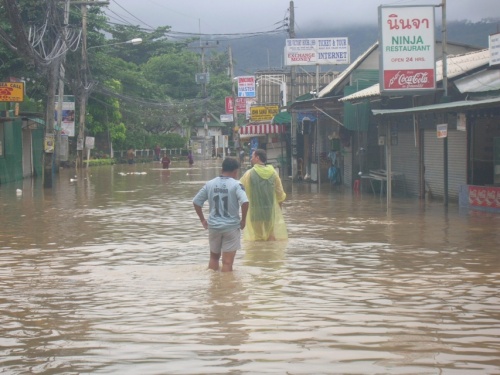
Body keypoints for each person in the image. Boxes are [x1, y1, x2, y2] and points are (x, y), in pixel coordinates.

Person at [193, 158, 249, 272]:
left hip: (213, 227)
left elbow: (196, 202)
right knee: (227, 262)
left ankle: (214, 285)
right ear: (235, 172)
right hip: (231, 227)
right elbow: (245, 202)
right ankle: (226, 288)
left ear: (222, 169)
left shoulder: (210, 184)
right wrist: (243, 220)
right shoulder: (237, 185)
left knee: (214, 258)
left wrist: (203, 220)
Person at [240, 148, 287, 241]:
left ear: (257, 158)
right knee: (270, 234)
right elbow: (280, 194)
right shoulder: (274, 173)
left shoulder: (249, 174)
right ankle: (271, 253)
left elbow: (239, 189)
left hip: (255, 210)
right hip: (269, 210)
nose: (251, 159)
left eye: (252, 156)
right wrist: (278, 210)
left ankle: (261, 253)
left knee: (258, 237)